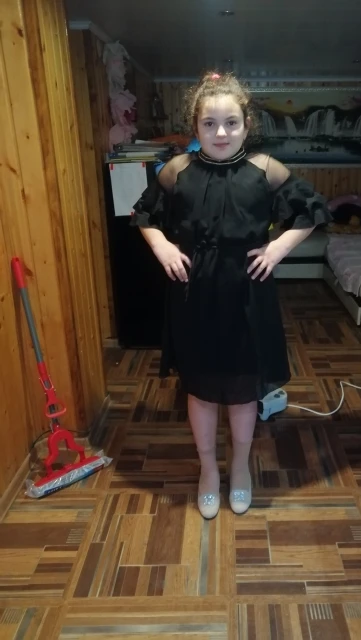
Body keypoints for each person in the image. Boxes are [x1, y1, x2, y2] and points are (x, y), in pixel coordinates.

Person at [131, 72, 331, 519]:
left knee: (243, 390)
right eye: (209, 124)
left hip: (248, 294)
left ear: (246, 124)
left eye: (231, 123)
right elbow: (144, 213)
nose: (220, 133)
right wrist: (162, 246)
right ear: (195, 127)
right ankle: (208, 470)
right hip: (193, 295)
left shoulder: (265, 169)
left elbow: (313, 209)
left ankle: (240, 468)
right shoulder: (177, 170)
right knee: (201, 390)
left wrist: (278, 248)